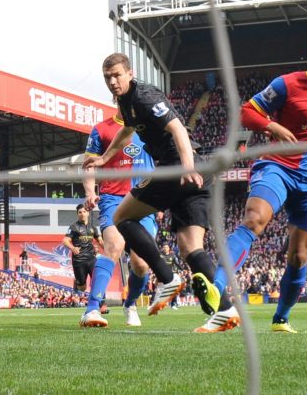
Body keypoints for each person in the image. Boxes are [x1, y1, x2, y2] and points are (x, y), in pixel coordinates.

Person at [192, 32, 307, 334]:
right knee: (254, 220)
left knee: (299, 254)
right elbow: (247, 112)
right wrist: (272, 125)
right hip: (278, 166)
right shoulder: (287, 83)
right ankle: (216, 288)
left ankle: (281, 318)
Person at [82, 53, 229, 332]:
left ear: (130, 73)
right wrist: (103, 159)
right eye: (107, 78)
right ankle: (225, 310)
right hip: (198, 171)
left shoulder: (144, 95)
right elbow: (126, 130)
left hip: (176, 167)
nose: (112, 82)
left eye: (117, 75)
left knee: (122, 219)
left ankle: (167, 278)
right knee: (190, 247)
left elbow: (178, 128)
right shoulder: (125, 105)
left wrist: (185, 167)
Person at [77, 109, 156, 328]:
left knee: (141, 265)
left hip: (143, 200)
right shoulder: (101, 129)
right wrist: (90, 193)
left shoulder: (151, 127)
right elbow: (89, 164)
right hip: (113, 198)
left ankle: (129, 304)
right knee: (114, 245)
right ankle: (92, 308)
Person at [62, 204, 99, 300]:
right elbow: (65, 241)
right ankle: (78, 282)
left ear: (88, 213)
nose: (82, 214)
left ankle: (101, 303)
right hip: (78, 260)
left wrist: (108, 251)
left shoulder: (93, 228)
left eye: (84, 212)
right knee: (82, 288)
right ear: (77, 214)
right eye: (80, 212)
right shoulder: (73, 227)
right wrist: (73, 248)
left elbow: (100, 240)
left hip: (91, 258)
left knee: (97, 279)